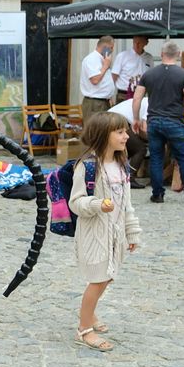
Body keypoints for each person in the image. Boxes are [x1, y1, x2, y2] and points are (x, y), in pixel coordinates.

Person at [69, 112, 141, 353]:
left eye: (125, 131)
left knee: (107, 277)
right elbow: (76, 202)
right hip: (95, 235)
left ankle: (90, 314)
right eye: (120, 132)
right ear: (103, 136)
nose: (126, 136)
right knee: (98, 280)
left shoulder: (122, 165)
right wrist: (97, 204)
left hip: (115, 235)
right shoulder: (88, 166)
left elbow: (127, 204)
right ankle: (84, 330)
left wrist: (132, 233)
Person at [132, 40, 184, 204]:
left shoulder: (148, 74)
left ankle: (157, 194)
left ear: (162, 54)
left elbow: (137, 98)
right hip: (175, 122)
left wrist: (136, 119)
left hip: (154, 121)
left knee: (156, 157)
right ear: (178, 55)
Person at [106, 98, 148, 188]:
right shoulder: (153, 103)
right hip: (117, 120)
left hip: (110, 118)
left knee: (126, 148)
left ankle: (119, 175)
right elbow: (145, 129)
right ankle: (130, 178)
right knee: (140, 148)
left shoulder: (149, 100)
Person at [80, 36, 116, 121]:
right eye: (111, 48)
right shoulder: (91, 59)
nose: (112, 51)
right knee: (94, 130)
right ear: (105, 48)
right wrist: (105, 66)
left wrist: (109, 96)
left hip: (104, 101)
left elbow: (105, 81)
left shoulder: (103, 59)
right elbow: (95, 80)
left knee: (104, 130)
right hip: (95, 103)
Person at [111, 36, 151, 101]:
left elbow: (150, 76)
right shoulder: (122, 56)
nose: (137, 45)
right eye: (135, 42)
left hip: (141, 95)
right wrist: (110, 95)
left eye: (140, 43)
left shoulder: (149, 58)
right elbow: (114, 77)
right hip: (123, 95)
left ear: (146, 43)